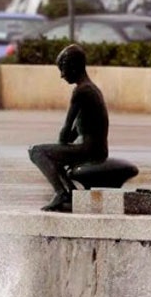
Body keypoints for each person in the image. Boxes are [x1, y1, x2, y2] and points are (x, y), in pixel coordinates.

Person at [28, 44, 109, 212]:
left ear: (73, 66)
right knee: (52, 154)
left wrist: (59, 148)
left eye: (63, 69)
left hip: (90, 150)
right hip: (97, 148)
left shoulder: (81, 91)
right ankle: (70, 191)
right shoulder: (92, 89)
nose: (62, 76)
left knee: (36, 152)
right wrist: (60, 150)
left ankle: (61, 192)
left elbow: (65, 130)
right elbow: (77, 130)